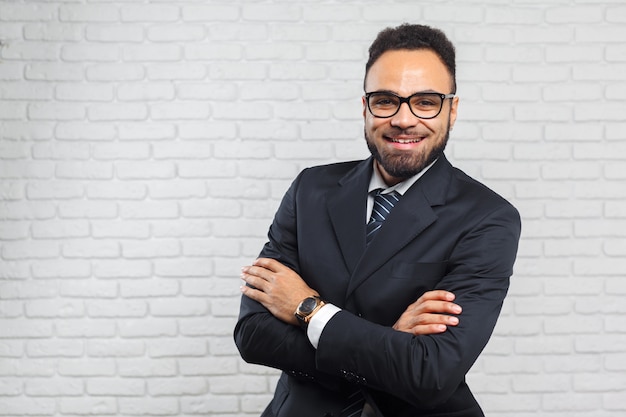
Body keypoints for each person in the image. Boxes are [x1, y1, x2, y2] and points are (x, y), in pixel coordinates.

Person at [234, 23, 521, 417]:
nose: (404, 119)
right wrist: (389, 344)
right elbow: (253, 335)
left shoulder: (488, 218)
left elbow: (430, 371)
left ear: (452, 110)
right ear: (365, 106)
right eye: (386, 100)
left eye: (425, 101)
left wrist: (310, 311)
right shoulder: (310, 190)